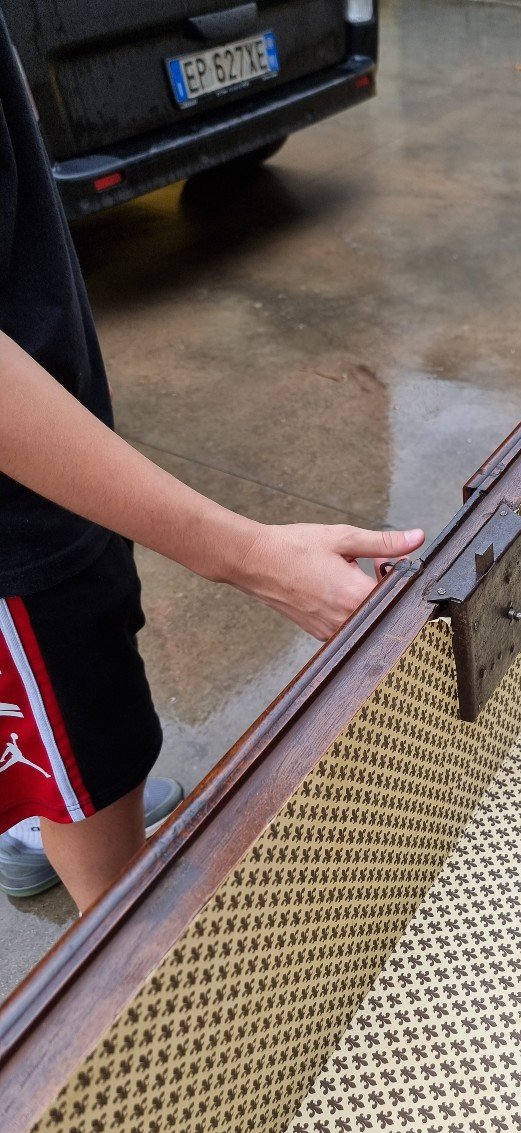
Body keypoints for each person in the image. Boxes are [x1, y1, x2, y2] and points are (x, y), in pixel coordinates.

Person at [0, 13, 423, 915]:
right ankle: (71, 827)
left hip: (51, 452)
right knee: (118, 906)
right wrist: (246, 555)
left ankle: (58, 799)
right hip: (18, 528)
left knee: (90, 737)